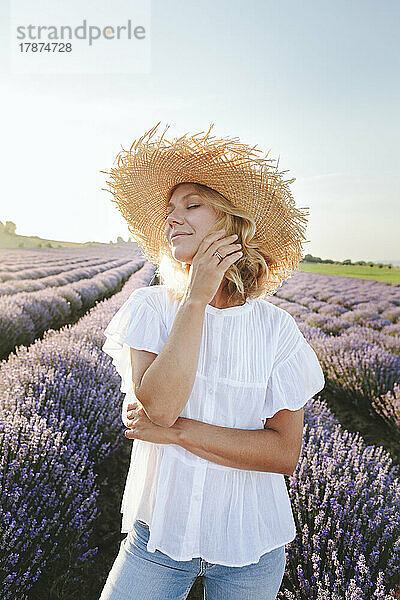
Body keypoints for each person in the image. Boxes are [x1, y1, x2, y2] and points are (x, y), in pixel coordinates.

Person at [99, 123, 325, 599]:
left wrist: (178, 433)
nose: (173, 219)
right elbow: (156, 410)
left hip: (252, 548)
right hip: (157, 539)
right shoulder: (149, 309)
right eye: (170, 210)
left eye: (192, 205)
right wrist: (196, 298)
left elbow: (282, 454)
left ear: (232, 223)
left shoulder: (276, 329)